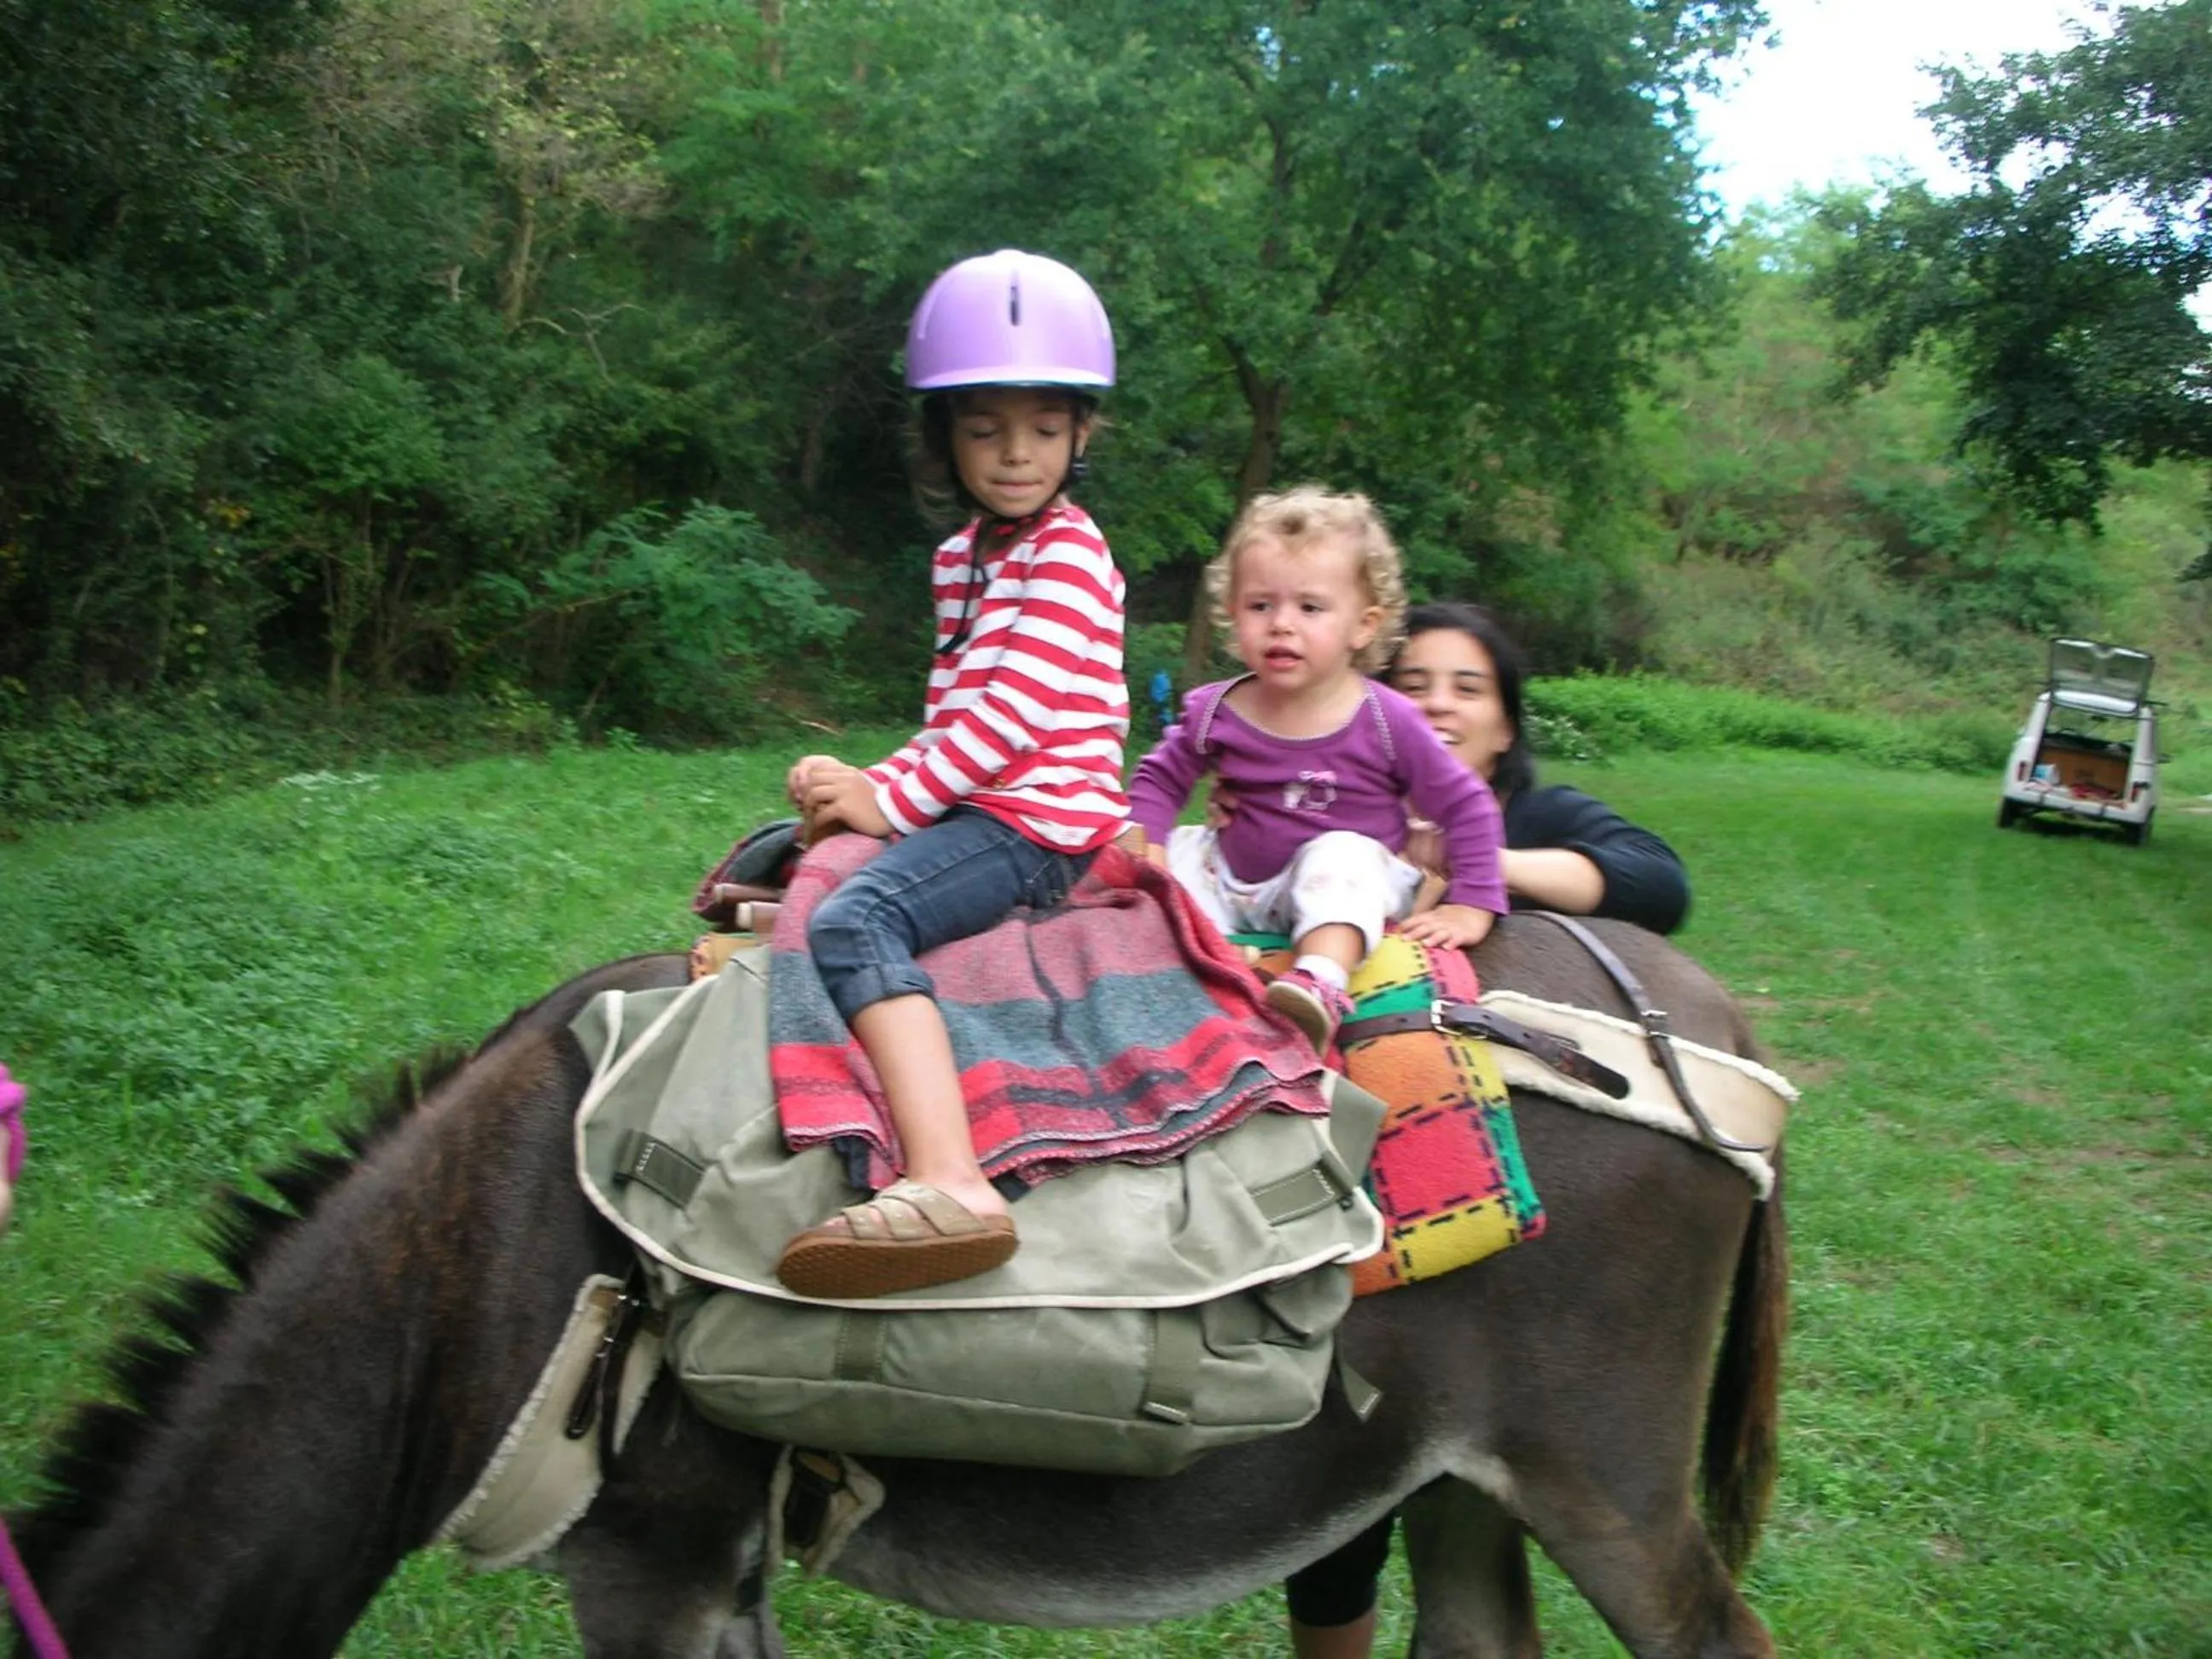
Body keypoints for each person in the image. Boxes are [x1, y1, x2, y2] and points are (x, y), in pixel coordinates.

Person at [1282, 599, 1691, 1659]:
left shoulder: (1541, 815)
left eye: (1468, 687)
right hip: (1360, 1153)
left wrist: (1479, 865)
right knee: (1333, 1492)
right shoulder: (1341, 804)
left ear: (1507, 723)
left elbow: (1657, 879)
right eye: (1412, 681)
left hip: (1511, 1182)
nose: (1437, 703)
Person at [777, 249, 1130, 1300]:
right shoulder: (963, 560)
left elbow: (1014, 715)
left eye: (1045, 429)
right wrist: (865, 780)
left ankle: (950, 1178)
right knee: (784, 872)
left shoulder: (1069, 552)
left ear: (1081, 432)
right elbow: (957, 717)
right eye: (985, 430)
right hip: (982, 798)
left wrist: (890, 799)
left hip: (1039, 825)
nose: (1017, 455)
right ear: (945, 438)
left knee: (856, 921)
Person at [1126, 489, 1507, 1053]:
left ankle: (1320, 984)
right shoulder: (1217, 709)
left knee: (1340, 856)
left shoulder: (1386, 720)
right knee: (1171, 854)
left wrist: (1473, 901)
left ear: (1362, 626)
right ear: (1233, 615)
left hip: (1346, 884)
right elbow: (1160, 781)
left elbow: (1464, 804)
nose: (1282, 625)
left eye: (1310, 607)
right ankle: (1186, 965)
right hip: (1236, 878)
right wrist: (1147, 848)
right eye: (1260, 605)